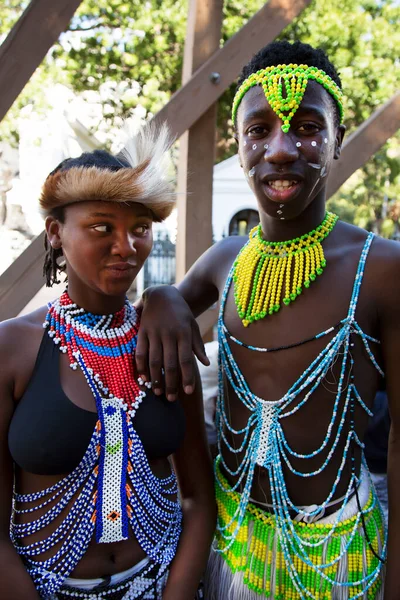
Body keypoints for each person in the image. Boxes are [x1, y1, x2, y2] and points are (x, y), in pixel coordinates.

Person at [136, 41, 400, 599]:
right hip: (230, 545)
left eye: (306, 126)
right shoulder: (224, 260)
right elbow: (167, 307)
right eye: (259, 130)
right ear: (239, 148)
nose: (280, 150)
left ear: (337, 141)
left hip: (337, 557)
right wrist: (161, 294)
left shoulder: (381, 270)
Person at [0, 123, 216, 600]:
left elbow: (199, 499)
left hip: (161, 583)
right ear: (56, 232)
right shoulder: (12, 350)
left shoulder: (166, 340)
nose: (127, 246)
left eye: (139, 229)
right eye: (102, 227)